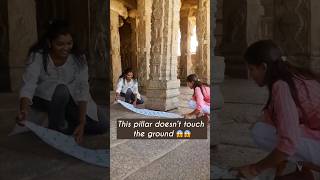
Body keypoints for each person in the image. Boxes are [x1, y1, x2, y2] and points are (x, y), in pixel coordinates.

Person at [234, 40, 320, 180]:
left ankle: (305, 168)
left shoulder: (282, 86)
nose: (250, 75)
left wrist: (255, 169)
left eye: (251, 69)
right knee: (273, 126)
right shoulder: (295, 75)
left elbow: (288, 143)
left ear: (263, 67)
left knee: (261, 132)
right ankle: (300, 170)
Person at [16, 19, 107, 144]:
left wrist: (82, 122)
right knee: (61, 90)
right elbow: (28, 85)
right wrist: (24, 110)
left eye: (69, 43)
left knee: (102, 125)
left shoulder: (78, 58)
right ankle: (58, 126)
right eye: (60, 44)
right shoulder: (38, 56)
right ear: (49, 43)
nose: (65, 48)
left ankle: (64, 123)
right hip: (44, 100)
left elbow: (82, 89)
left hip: (71, 100)